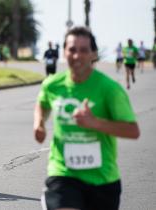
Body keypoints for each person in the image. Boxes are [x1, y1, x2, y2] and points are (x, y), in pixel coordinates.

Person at [34, 27, 140, 210]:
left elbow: (132, 130)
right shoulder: (52, 85)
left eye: (84, 50)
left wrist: (95, 123)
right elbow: (42, 104)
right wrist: (39, 124)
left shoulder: (109, 89)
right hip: (63, 174)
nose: (77, 56)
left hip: (103, 180)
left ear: (93, 54)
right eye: (72, 50)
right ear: (64, 52)